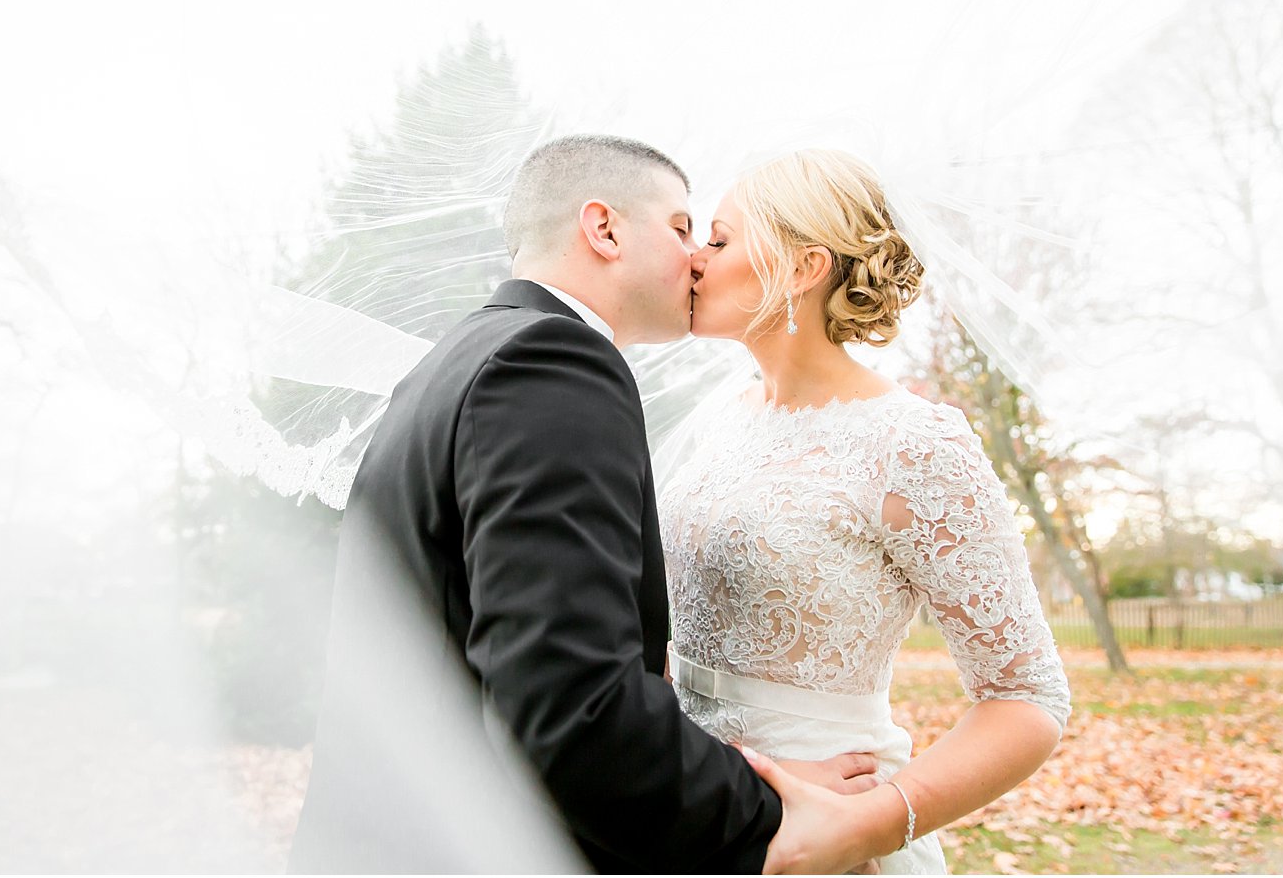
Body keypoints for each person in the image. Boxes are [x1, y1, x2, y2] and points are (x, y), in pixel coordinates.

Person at [288, 135, 883, 874]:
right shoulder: (553, 364)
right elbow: (570, 704)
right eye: (680, 228)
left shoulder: (458, 359)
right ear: (603, 229)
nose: (697, 257)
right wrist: (768, 812)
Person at [662, 149, 1072, 874]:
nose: (695, 258)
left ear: (802, 268)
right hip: (689, 807)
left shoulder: (913, 443)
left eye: (720, 240)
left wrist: (870, 827)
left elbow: (1026, 696)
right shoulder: (716, 421)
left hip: (825, 831)